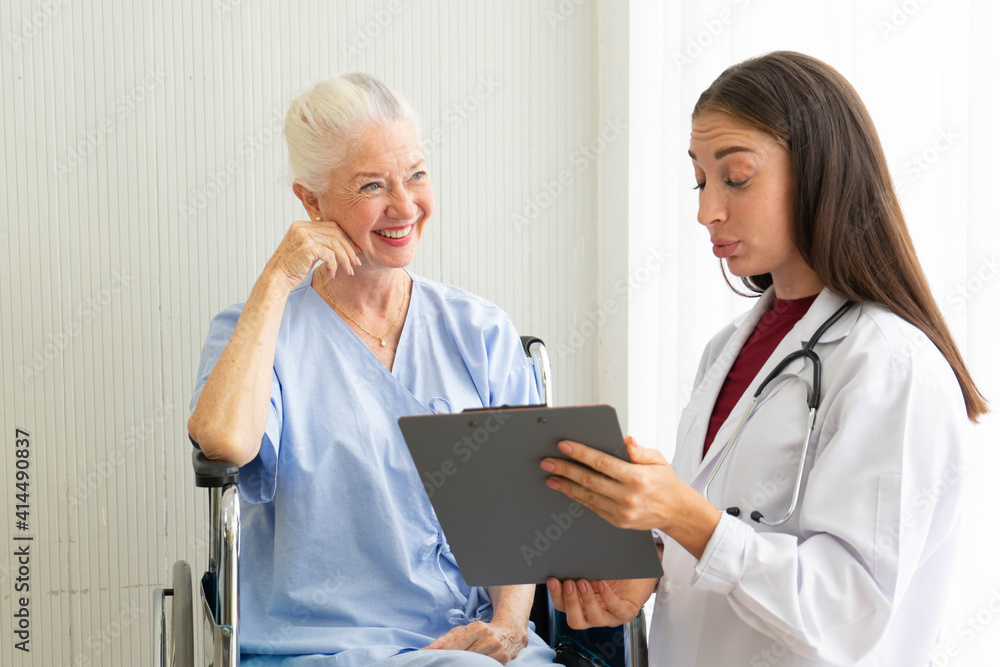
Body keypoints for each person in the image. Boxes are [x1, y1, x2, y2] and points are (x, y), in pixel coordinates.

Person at [541, 51, 987, 666]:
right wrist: (648, 570)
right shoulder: (725, 352)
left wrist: (684, 516)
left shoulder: (890, 365)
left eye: (737, 177)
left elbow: (850, 615)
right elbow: (726, 541)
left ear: (818, 172)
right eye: (700, 180)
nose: (706, 211)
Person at [188, 73, 556, 666]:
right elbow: (224, 442)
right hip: (321, 648)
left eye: (416, 174)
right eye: (372, 186)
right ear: (311, 201)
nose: (405, 205)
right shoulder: (258, 332)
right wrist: (279, 278)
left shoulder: (479, 331)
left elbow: (518, 508)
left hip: (469, 645)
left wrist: (510, 625)